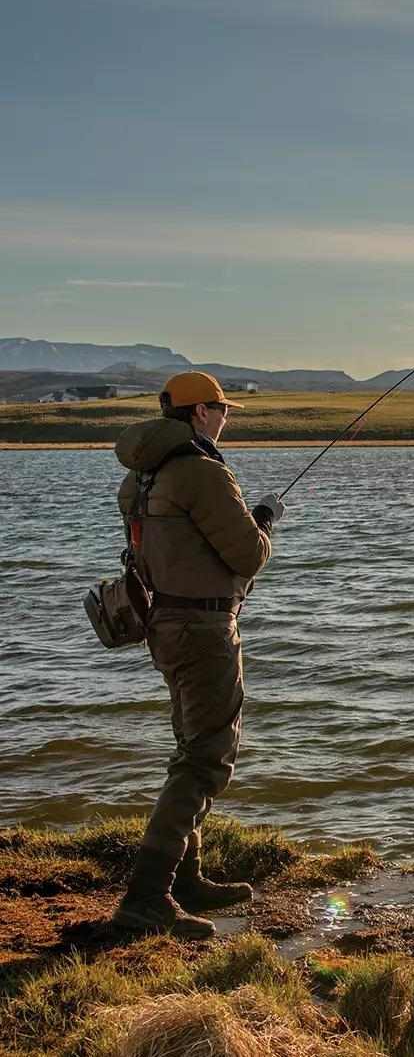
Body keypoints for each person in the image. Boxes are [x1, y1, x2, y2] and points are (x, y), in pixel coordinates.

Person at [111, 371, 284, 939]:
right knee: (207, 756)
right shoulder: (202, 472)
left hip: (165, 623)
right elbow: (248, 556)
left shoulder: (144, 473)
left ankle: (186, 880)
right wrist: (261, 523)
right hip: (204, 627)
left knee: (193, 746)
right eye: (222, 408)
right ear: (199, 413)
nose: (226, 417)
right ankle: (147, 896)